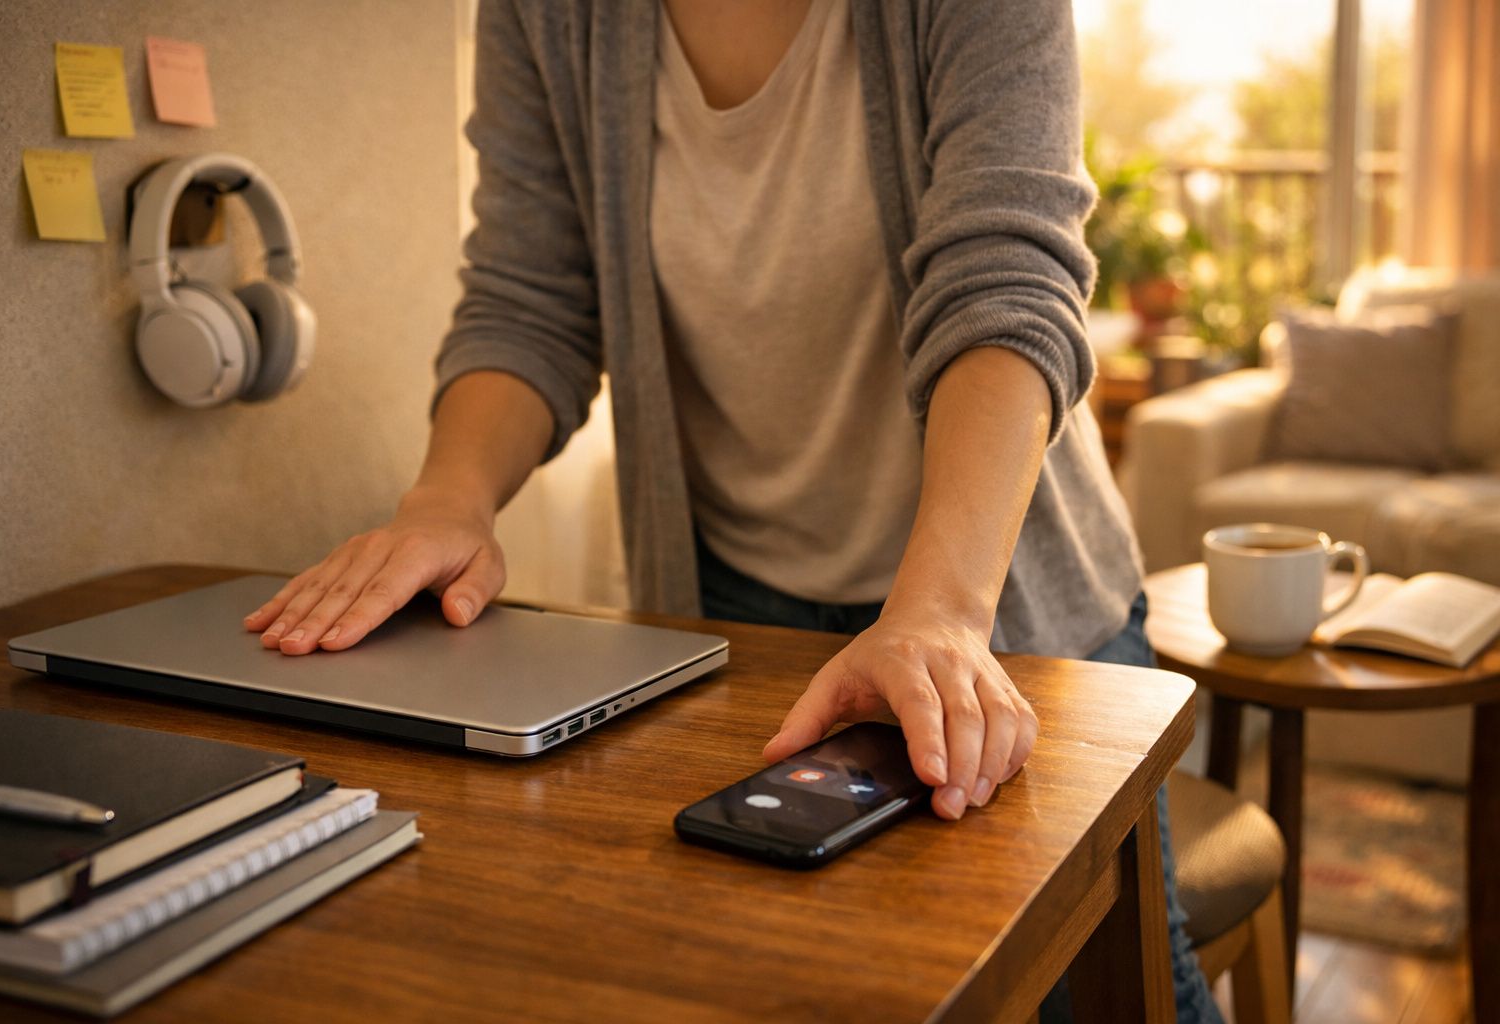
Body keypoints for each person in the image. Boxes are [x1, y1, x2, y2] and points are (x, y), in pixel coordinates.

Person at [243, 2, 1220, 1020]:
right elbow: (529, 295)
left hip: (1005, 610)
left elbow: (1008, 276)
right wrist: (446, 500)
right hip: (742, 618)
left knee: (1099, 993)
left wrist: (939, 610)